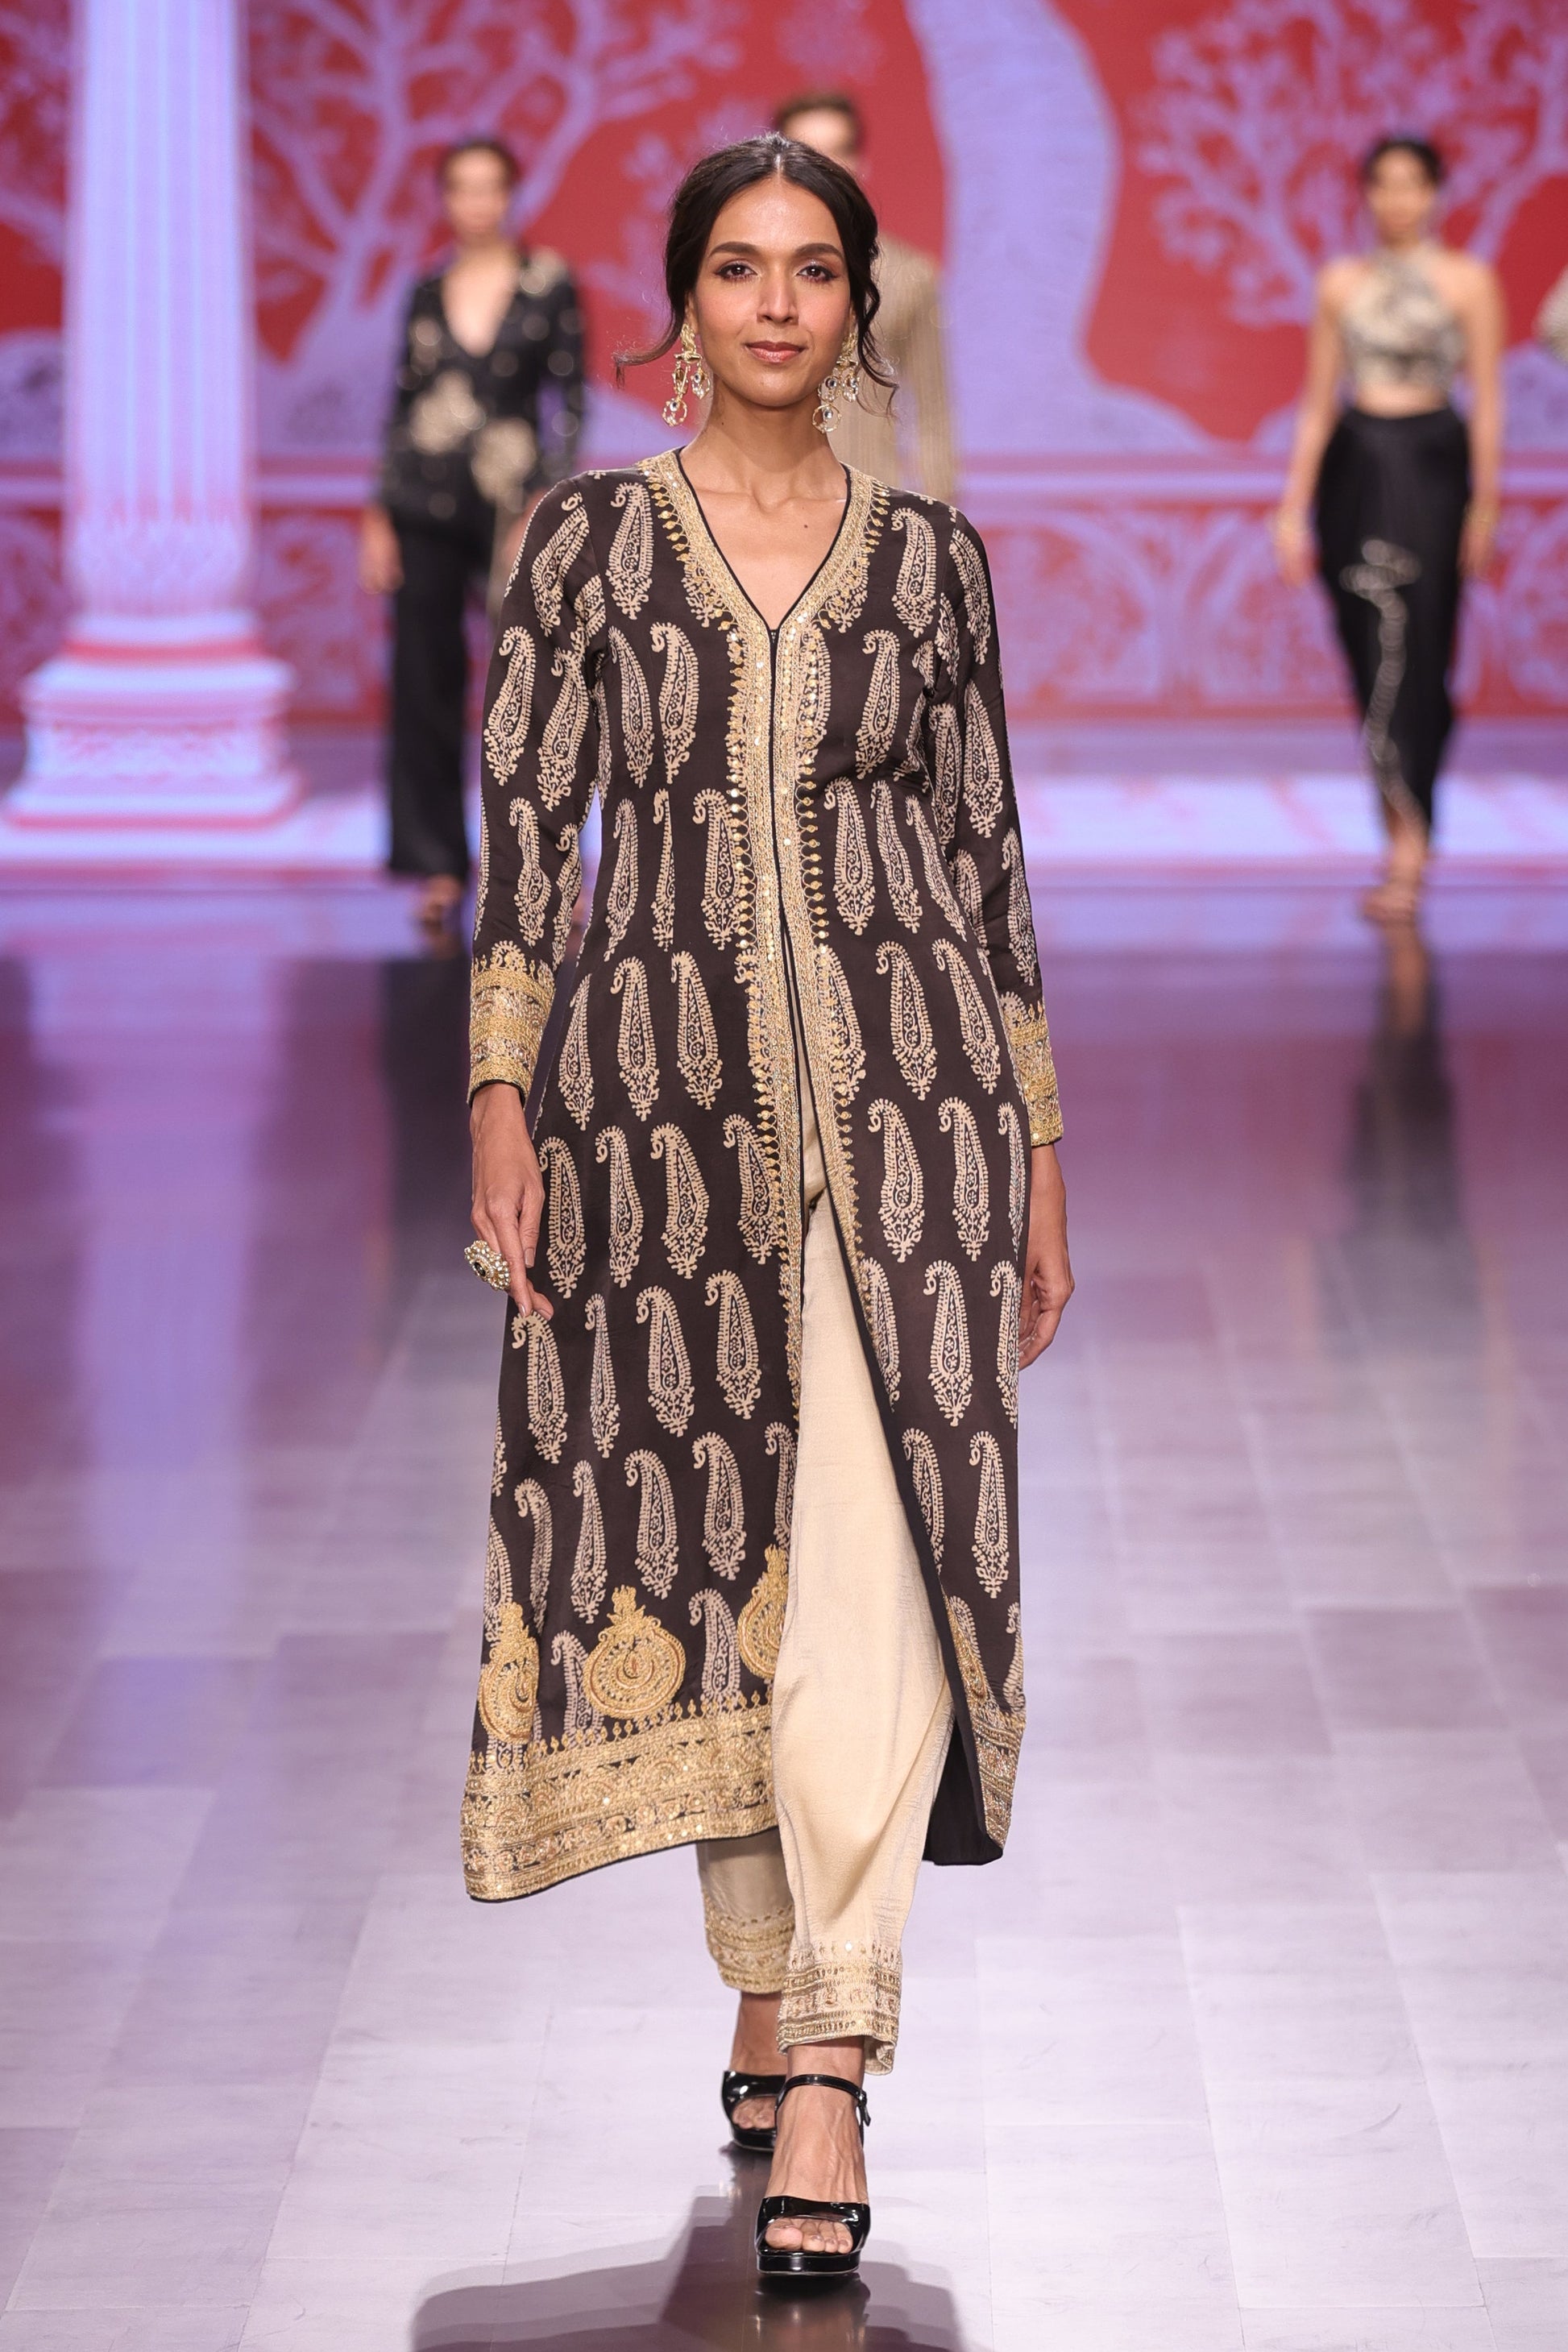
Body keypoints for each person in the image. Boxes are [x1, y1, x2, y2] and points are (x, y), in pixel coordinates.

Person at [462, 133, 1072, 2281]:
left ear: (858, 302)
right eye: (740, 268)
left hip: (916, 1107)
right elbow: (527, 825)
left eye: (816, 269)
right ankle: (766, 1957)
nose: (780, 305)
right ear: (684, 302)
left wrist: (1039, 1145)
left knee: (889, 1541)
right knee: (731, 1541)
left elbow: (987, 857)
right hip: (658, 1109)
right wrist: (500, 1091)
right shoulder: (586, 546)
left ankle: (832, 2038)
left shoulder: (933, 565)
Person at [1272, 136, 1504, 925]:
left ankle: (1413, 837)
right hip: (1356, 469)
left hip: (1431, 468)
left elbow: (1488, 401)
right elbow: (1315, 403)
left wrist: (1484, 507)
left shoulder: (1468, 281)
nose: (1398, 199)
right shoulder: (1341, 282)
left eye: (1413, 183)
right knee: (1369, 650)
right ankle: (1395, 828)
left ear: (1436, 193)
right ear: (1366, 193)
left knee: (1420, 651)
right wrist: (1290, 507)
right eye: (1384, 184)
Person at [360, 139, 584, 933]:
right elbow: (401, 404)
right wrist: (377, 512)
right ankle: (437, 864)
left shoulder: (548, 283)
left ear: (512, 195)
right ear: (445, 198)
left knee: (530, 685)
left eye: (491, 187)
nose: (477, 202)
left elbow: (569, 402)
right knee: (423, 683)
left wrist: (545, 500)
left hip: (511, 506)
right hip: (422, 502)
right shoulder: (426, 290)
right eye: (462, 187)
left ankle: (544, 866)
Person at [773, 90, 955, 503]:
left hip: (871, 508)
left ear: (859, 162)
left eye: (836, 151)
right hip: (760, 508)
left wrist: (940, 519)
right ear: (775, 165)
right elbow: (716, 402)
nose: (822, 168)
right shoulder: (746, 276)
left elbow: (933, 413)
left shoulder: (908, 277)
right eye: (805, 154)